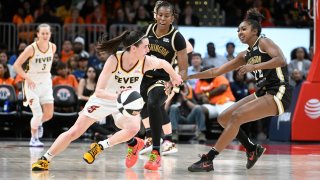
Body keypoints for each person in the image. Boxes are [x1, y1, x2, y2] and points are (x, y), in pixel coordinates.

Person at [31, 30, 182, 171]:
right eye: (145, 47)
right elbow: (99, 91)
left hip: (127, 103)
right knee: (75, 131)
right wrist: (119, 97)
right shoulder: (114, 60)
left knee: (133, 128)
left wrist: (174, 76)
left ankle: (100, 146)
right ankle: (45, 159)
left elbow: (164, 64)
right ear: (133, 48)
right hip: (105, 98)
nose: (148, 50)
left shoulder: (146, 61)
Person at [187, 8, 292, 172]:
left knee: (236, 116)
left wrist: (254, 66)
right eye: (238, 30)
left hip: (279, 91)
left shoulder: (263, 42)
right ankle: (252, 148)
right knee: (223, 118)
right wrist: (189, 76)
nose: (239, 32)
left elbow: (281, 60)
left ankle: (209, 159)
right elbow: (216, 71)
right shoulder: (245, 55)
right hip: (263, 92)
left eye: (243, 29)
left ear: (255, 31)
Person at [138, 0, 189, 170]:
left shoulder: (177, 37)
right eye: (160, 15)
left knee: (154, 103)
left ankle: (156, 152)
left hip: (164, 79)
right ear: (155, 15)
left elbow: (183, 69)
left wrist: (174, 80)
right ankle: (163, 139)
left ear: (172, 18)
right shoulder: (146, 31)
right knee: (144, 106)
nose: (162, 18)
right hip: (144, 77)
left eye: (166, 16)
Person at [13, 23, 56, 147]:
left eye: (47, 33)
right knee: (37, 114)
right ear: (37, 34)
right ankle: (33, 139)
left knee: (48, 114)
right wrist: (27, 77)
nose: (45, 35)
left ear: (50, 34)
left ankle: (39, 123)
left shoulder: (53, 47)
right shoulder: (31, 48)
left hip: (46, 83)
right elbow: (16, 65)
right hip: (32, 84)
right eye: (42, 33)